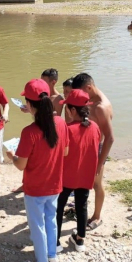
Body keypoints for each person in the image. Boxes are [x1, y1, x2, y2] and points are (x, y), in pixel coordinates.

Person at [6, 79, 69, 262]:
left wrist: (11, 155)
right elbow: (65, 152)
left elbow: (20, 165)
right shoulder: (60, 122)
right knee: (51, 219)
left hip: (35, 188)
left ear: (31, 105)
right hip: (55, 184)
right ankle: (52, 254)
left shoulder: (29, 132)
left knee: (37, 225)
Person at [56, 90, 101, 252]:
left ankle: (55, 242)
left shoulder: (66, 129)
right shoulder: (95, 127)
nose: (66, 110)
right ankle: (80, 239)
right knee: (82, 206)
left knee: (59, 207)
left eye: (67, 108)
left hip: (66, 176)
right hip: (85, 175)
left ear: (72, 110)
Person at [71, 73, 114, 231]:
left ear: (88, 87)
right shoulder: (93, 96)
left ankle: (97, 216)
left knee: (96, 183)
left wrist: (100, 163)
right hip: (87, 145)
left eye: (82, 93)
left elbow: (109, 138)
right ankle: (81, 207)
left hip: (97, 148)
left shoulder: (101, 107)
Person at [11, 68, 64, 193]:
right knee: (31, 158)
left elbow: (54, 120)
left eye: (44, 81)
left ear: (53, 82)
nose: (42, 83)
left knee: (34, 160)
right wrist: (29, 109)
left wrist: (12, 156)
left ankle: (31, 184)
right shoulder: (41, 97)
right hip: (38, 129)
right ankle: (25, 184)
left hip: (47, 133)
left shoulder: (58, 99)